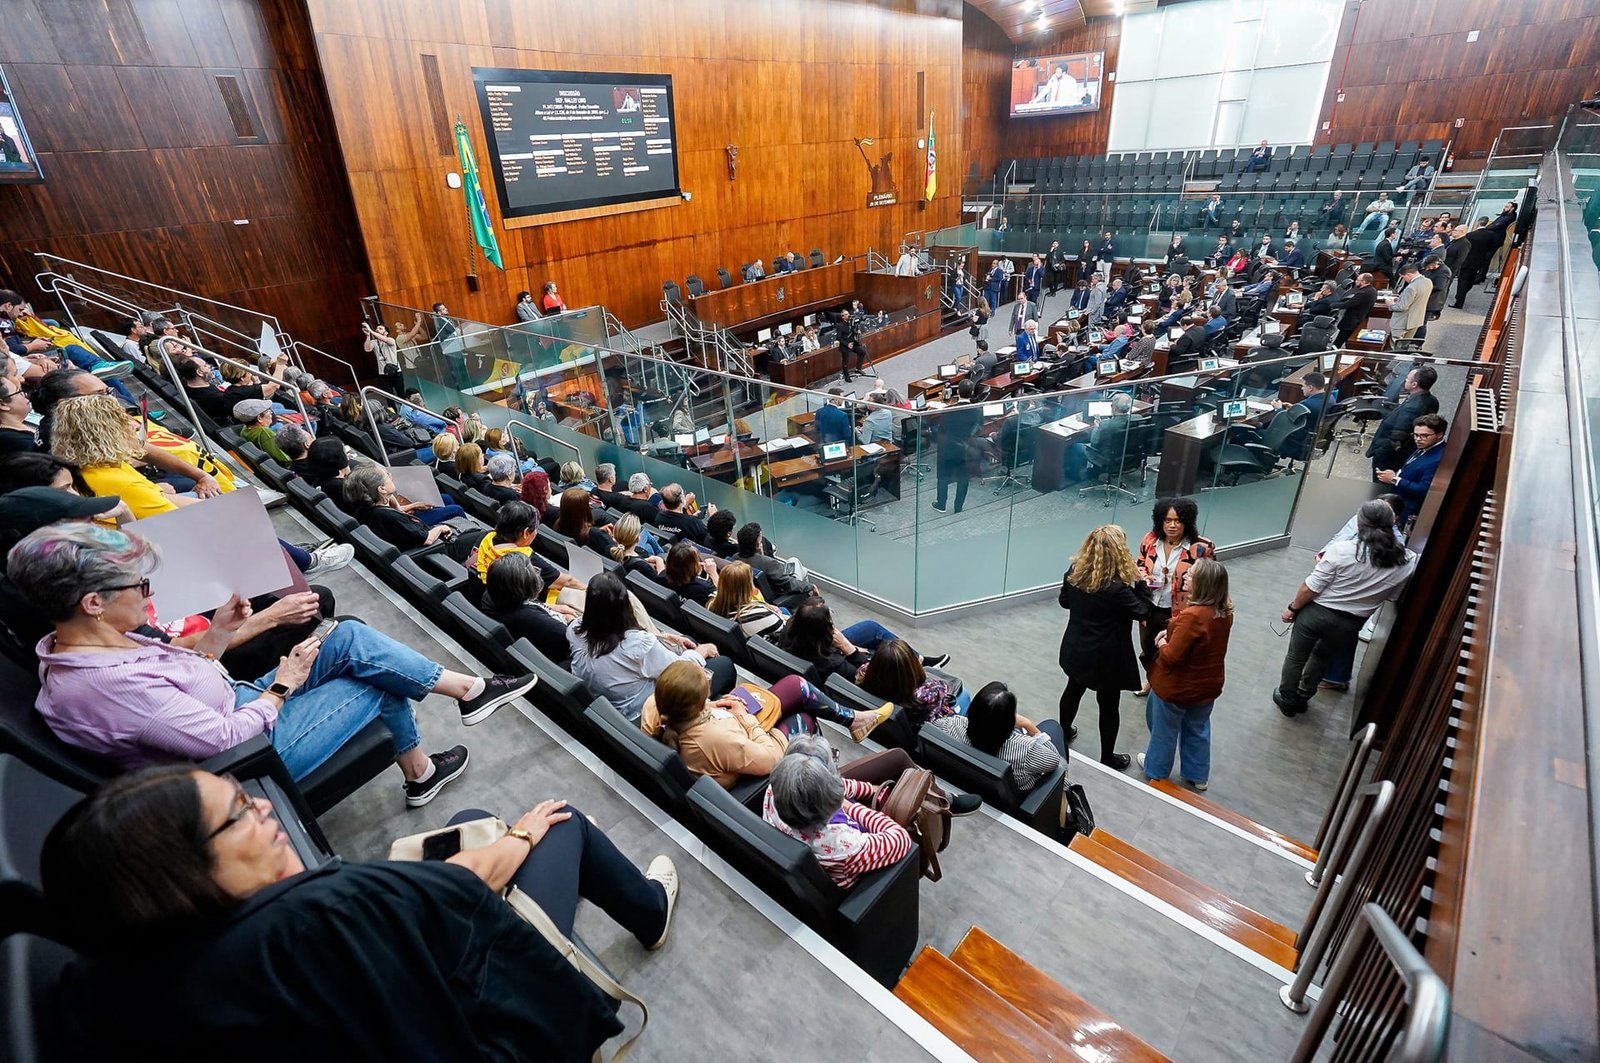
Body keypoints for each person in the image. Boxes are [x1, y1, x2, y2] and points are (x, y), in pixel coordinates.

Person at [38, 765, 678, 1060]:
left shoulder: (126, 989)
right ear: (178, 877)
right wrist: (524, 834)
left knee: (459, 824)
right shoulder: (324, 918)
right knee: (563, 823)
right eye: (239, 812)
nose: (263, 808)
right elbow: (463, 890)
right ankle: (650, 913)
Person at [9, 523, 536, 805]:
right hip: (242, 757)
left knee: (348, 636)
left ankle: (470, 694)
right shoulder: (104, 686)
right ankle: (423, 769)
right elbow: (220, 741)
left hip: (235, 700)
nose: (148, 594)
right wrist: (280, 689)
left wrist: (219, 631)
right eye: (138, 586)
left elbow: (180, 681)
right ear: (92, 602)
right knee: (374, 681)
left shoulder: (89, 644)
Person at [1275, 500, 1417, 716]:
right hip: (1351, 623)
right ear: (1393, 523)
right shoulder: (1406, 560)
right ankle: (1304, 695)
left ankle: (1287, 697)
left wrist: (1292, 609)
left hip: (1317, 613)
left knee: (1296, 656)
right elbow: (1393, 596)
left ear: (1359, 525)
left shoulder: (1342, 551)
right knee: (1322, 657)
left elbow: (1310, 587)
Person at [566, 570, 732, 721]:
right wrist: (701, 652)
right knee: (724, 664)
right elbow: (680, 672)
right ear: (624, 605)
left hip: (609, 703)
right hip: (642, 711)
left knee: (686, 640)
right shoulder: (637, 645)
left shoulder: (574, 629)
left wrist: (663, 637)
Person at [1057, 525, 1152, 768]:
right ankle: (1107, 757)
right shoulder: (1117, 588)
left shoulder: (1075, 572)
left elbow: (1064, 602)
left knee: (1073, 690)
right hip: (1107, 658)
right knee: (1109, 706)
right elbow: (1143, 611)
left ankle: (1064, 732)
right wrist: (1141, 583)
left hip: (1077, 648)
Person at [763, 734, 912, 887]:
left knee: (897, 757)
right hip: (856, 868)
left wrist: (871, 790)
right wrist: (852, 807)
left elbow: (814, 783)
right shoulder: (842, 845)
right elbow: (900, 839)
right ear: (829, 798)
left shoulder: (777, 789)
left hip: (811, 834)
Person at [1137, 557, 1232, 790]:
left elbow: (1171, 657)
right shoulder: (1224, 612)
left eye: (1191, 575)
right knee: (1198, 728)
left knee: (1164, 731)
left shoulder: (1193, 616)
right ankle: (1197, 775)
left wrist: (1162, 641)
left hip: (1177, 687)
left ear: (1203, 583)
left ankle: (1156, 771)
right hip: (1208, 685)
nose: (1185, 577)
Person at [1133, 498, 1215, 697]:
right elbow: (1140, 563)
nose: (1172, 525)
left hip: (1180, 611)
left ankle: (1167, 685)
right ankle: (1152, 680)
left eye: (1177, 521)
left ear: (1187, 522)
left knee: (1174, 651)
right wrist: (1145, 576)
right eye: (1167, 520)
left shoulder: (1201, 547)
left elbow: (1209, 581)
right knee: (1149, 648)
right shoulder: (1150, 540)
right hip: (1150, 605)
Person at [776, 596, 946, 689]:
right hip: (833, 655)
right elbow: (869, 673)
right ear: (825, 631)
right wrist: (851, 649)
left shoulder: (790, 631)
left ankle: (917, 657)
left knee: (870, 627)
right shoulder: (834, 665)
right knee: (880, 647)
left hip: (820, 648)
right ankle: (912, 661)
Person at [933, 681, 1064, 791]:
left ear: (973, 710)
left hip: (971, 784)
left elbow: (934, 723)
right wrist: (1028, 725)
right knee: (1053, 726)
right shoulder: (1027, 750)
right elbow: (1056, 763)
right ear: (1010, 722)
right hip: (1018, 798)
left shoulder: (950, 725)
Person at [343, 464, 470, 555]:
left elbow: (396, 511)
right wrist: (441, 528)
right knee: (485, 534)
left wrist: (388, 495)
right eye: (387, 476)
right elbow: (427, 539)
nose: (391, 476)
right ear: (381, 489)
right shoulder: (389, 517)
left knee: (446, 500)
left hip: (415, 540)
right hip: (434, 550)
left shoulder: (364, 508)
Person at [482, 552, 577, 663]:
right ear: (522, 589)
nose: (536, 573)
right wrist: (572, 620)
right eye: (533, 571)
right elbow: (574, 639)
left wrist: (551, 607)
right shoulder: (531, 618)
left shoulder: (492, 594)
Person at [857, 637, 966, 720]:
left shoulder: (864, 674)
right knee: (964, 694)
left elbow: (867, 666)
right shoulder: (928, 693)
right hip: (922, 726)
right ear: (912, 667)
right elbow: (945, 687)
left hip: (891, 725)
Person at [1377, 413, 1447, 524]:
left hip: (1408, 510)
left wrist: (1395, 479)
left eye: (1424, 436)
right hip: (1397, 502)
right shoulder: (1424, 446)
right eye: (1415, 435)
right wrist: (1396, 474)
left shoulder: (1439, 458)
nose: (1418, 439)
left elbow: (1424, 490)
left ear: (1439, 435)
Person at [1367, 365, 1438, 475]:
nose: (1405, 380)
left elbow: (1397, 438)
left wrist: (1380, 453)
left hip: (1389, 458)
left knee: (1380, 486)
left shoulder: (1411, 409)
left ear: (1414, 384)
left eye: (1408, 378)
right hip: (1407, 452)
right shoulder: (1432, 400)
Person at [933, 379, 982, 513]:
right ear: (972, 393)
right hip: (966, 450)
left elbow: (941, 429)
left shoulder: (949, 410)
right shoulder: (977, 411)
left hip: (948, 448)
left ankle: (941, 504)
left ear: (958, 391)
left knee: (943, 476)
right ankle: (958, 507)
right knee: (963, 478)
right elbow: (978, 428)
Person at [707, 559, 785, 638]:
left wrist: (764, 605)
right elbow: (784, 630)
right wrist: (778, 615)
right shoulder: (760, 615)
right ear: (748, 586)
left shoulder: (711, 602)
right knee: (784, 610)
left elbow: (724, 593)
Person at [554, 485, 617, 555]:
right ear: (585, 508)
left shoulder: (558, 524)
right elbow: (615, 554)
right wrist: (610, 537)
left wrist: (599, 530)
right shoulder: (595, 534)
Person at [658, 540, 719, 606]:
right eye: (697, 560)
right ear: (693, 567)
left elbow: (662, 571)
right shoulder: (706, 589)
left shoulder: (662, 578)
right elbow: (724, 598)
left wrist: (658, 560)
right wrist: (713, 573)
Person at [1330, 271, 1379, 347]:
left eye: (1358, 280)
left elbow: (1348, 304)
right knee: (1345, 342)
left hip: (1351, 322)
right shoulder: (1373, 290)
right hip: (1360, 319)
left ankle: (1331, 356)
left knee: (1338, 343)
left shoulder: (1362, 293)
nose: (1356, 281)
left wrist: (1333, 305)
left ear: (1364, 281)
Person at [1391, 263, 1432, 340]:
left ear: (1408, 274)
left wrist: (1390, 305)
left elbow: (1402, 307)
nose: (1404, 280)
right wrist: (1401, 299)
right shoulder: (1428, 282)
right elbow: (1417, 299)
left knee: (1395, 345)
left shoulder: (1411, 288)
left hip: (1403, 322)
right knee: (1405, 344)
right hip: (1416, 320)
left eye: (1403, 277)